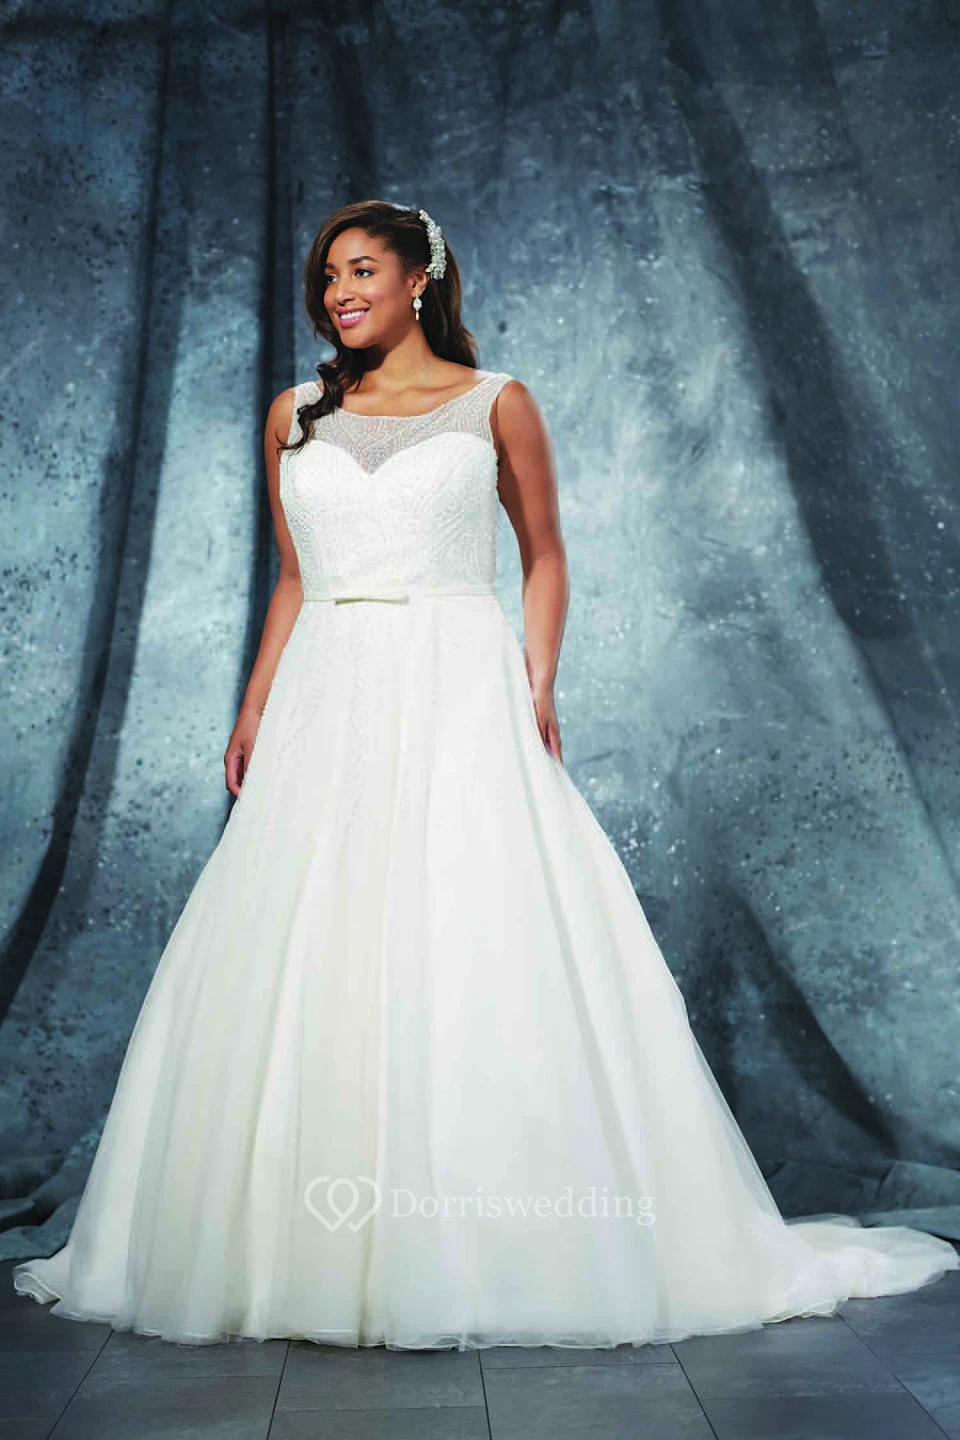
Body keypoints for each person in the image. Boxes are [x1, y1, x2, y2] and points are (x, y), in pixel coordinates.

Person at [13, 199, 958, 1350]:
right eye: (328, 277)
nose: (339, 293)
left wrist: (537, 678)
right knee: (314, 934)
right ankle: (296, 1248)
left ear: (419, 278)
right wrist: (254, 704)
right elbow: (296, 577)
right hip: (328, 690)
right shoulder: (294, 415)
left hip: (457, 679)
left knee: (464, 925)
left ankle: (482, 1240)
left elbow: (545, 552)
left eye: (361, 270)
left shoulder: (495, 401)